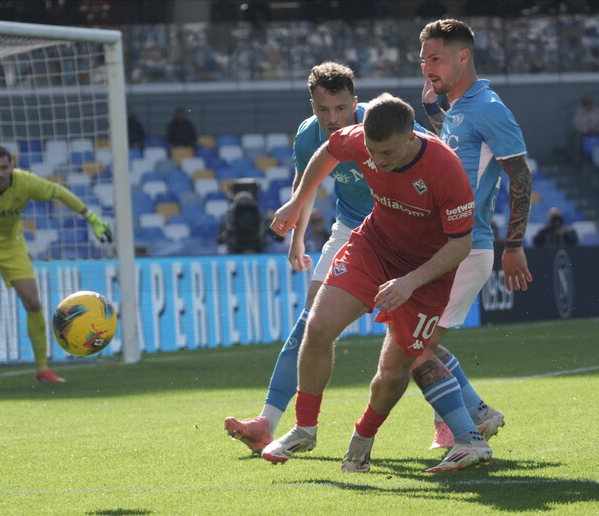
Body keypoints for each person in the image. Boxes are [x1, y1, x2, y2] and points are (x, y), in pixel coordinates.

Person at [262, 93, 489, 473]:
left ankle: (363, 439)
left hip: (425, 271)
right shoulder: (360, 138)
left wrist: (410, 282)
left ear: (410, 137)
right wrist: (299, 202)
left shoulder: (444, 169)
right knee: (317, 327)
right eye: (372, 152)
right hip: (374, 246)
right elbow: (328, 151)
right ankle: (304, 428)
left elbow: (461, 244)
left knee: (394, 370)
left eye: (388, 154)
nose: (378, 162)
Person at [224, 62, 426, 454]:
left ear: (355, 102)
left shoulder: (384, 123)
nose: (332, 119)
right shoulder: (306, 136)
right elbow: (308, 184)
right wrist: (298, 240)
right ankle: (267, 421)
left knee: (413, 336)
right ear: (312, 105)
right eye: (322, 110)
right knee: (311, 323)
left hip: (404, 232)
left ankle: (468, 414)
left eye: (341, 109)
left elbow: (429, 166)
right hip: (351, 228)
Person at [418, 18, 533, 451]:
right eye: (424, 59)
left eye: (437, 59)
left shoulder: (488, 107)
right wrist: (433, 113)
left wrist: (516, 244)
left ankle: (467, 434)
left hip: (468, 246)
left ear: (463, 56)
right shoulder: (463, 108)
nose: (428, 67)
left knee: (411, 346)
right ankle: (475, 418)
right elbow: (460, 152)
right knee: (411, 341)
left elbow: (519, 174)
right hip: (448, 246)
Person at [0, 144, 112, 389]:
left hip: (12, 245)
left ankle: (42, 369)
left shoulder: (26, 182)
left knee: (33, 301)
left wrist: (92, 218)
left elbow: (59, 193)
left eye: (4, 168)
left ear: (11, 166)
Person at [572, 94, 599, 162]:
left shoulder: (597, 110)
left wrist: (597, 130)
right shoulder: (578, 111)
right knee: (576, 134)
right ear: (583, 103)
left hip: (596, 131)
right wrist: (586, 131)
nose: (588, 104)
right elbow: (576, 125)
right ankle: (577, 155)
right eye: (586, 102)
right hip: (583, 132)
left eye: (589, 102)